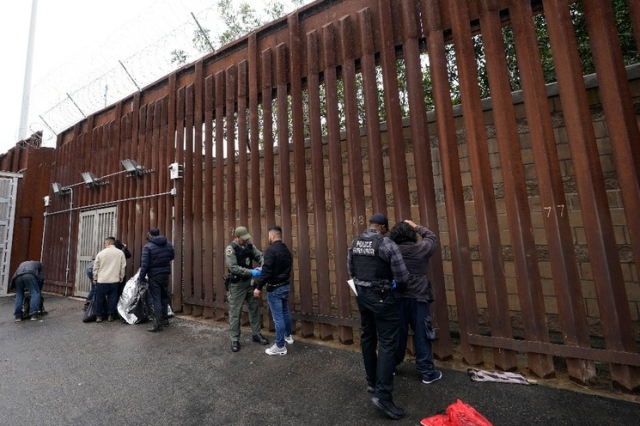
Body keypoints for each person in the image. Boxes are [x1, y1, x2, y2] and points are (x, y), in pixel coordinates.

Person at [347, 213, 410, 420]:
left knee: (367, 336)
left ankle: (372, 381)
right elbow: (402, 276)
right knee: (387, 342)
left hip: (362, 296)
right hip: (382, 298)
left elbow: (351, 269)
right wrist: (396, 286)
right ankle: (383, 396)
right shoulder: (387, 244)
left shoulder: (355, 242)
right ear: (382, 227)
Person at [389, 219, 442, 385]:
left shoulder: (392, 250)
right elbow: (431, 236)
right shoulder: (421, 248)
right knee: (422, 333)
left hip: (397, 297)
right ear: (411, 234)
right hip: (419, 297)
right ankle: (427, 372)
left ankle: (391, 366)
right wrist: (415, 225)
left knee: (397, 333)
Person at [225, 226, 269, 352]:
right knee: (235, 312)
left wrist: (263, 264)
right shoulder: (230, 249)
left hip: (249, 283)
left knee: (254, 308)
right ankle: (234, 339)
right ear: (236, 237)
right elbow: (233, 267)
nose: (245, 241)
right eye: (242, 239)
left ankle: (256, 334)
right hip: (237, 284)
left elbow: (259, 256)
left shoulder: (249, 246)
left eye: (246, 238)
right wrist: (252, 272)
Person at [253, 225, 294, 356]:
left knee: (278, 318)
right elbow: (277, 268)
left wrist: (258, 287)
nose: (268, 238)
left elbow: (268, 271)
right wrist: (263, 268)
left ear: (272, 236)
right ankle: (288, 336)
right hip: (285, 286)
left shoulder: (271, 251)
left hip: (275, 288)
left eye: (269, 236)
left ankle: (280, 346)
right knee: (285, 312)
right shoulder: (286, 250)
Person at [139, 228, 175, 332]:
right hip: (165, 273)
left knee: (156, 299)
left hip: (154, 275)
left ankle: (158, 324)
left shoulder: (148, 247)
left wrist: (141, 278)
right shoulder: (168, 244)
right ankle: (165, 320)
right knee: (164, 297)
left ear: (150, 235)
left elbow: (144, 265)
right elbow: (172, 256)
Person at [92, 237, 126, 323]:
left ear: (107, 243)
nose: (104, 245)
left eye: (104, 243)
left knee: (100, 299)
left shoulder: (100, 253)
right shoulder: (120, 253)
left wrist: (95, 278)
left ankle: (99, 316)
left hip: (102, 280)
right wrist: (121, 276)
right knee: (112, 298)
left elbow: (96, 267)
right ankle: (111, 315)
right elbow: (123, 266)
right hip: (114, 280)